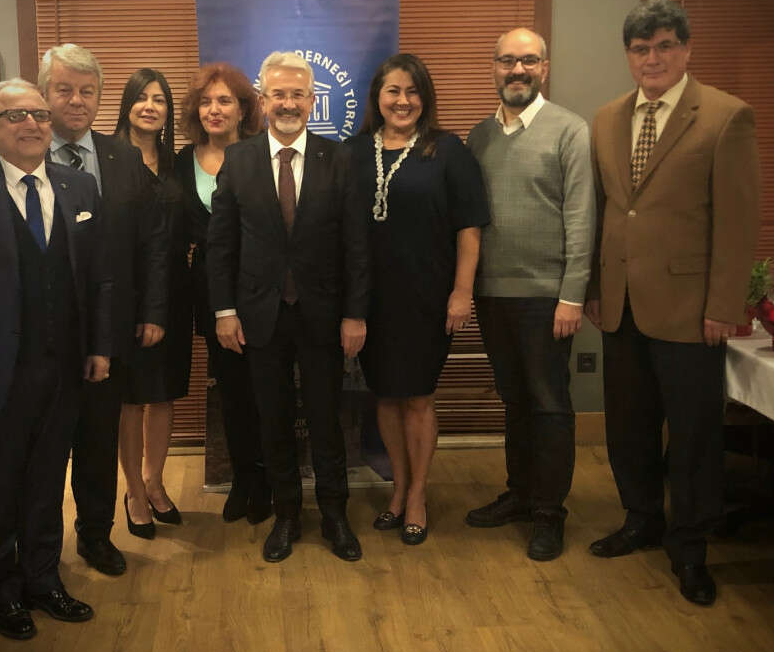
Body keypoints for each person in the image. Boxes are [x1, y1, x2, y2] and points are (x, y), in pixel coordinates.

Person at [584, 0, 760, 606]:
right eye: (641, 49)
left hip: (691, 308)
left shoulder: (725, 117)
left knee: (692, 436)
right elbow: (607, 211)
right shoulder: (607, 118)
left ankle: (690, 547)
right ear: (628, 56)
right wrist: (594, 289)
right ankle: (641, 519)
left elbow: (738, 222)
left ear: (685, 50)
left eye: (664, 46)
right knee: (627, 426)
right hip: (621, 304)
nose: (652, 58)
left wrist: (724, 305)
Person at [0, 78, 111, 639]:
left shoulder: (79, 187)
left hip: (65, 366)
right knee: (2, 481)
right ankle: (3, 592)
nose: (31, 124)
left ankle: (43, 579)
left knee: (49, 478)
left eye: (39, 114)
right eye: (15, 116)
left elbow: (99, 279)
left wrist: (100, 346)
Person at [207, 51, 370, 563]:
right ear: (262, 100)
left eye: (298, 94)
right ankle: (287, 515)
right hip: (260, 315)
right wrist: (224, 311)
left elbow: (357, 245)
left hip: (323, 315)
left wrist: (355, 314)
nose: (288, 103)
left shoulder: (339, 159)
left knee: (326, 419)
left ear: (313, 100)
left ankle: (335, 515)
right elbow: (221, 244)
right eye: (278, 94)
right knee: (273, 420)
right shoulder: (238, 160)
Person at [464, 28, 595, 561]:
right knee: (514, 400)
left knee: (549, 404)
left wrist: (573, 296)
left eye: (528, 61)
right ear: (494, 68)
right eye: (507, 61)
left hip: (547, 298)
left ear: (545, 67)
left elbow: (582, 217)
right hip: (492, 294)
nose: (517, 70)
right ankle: (520, 494)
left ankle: (548, 513)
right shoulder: (479, 136)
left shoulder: (570, 130)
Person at [40, 44, 169, 575]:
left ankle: (95, 536)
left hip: (109, 330)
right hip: (44, 335)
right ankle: (40, 552)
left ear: (99, 97)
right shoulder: (25, 153)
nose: (77, 100)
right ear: (44, 94)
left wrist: (153, 310)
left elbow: (153, 243)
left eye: (87, 91)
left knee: (97, 442)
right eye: (64, 90)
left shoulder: (122, 157)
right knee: (46, 451)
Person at [349, 53, 489, 545]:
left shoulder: (448, 151)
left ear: (424, 98)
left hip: (428, 297)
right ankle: (398, 487)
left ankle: (417, 495)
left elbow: (469, 228)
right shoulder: (353, 152)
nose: (403, 100)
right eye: (393, 90)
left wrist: (462, 292)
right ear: (378, 97)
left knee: (418, 397)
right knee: (386, 395)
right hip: (371, 300)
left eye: (412, 91)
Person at [176, 62, 270, 525]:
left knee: (267, 389)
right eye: (206, 101)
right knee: (231, 390)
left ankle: (269, 481)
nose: (214, 109)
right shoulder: (181, 160)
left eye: (224, 101)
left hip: (261, 288)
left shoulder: (262, 154)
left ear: (243, 108)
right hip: (212, 294)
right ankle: (243, 480)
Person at [113, 69, 191, 538]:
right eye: (141, 98)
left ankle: (155, 482)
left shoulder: (176, 162)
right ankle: (134, 493)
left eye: (159, 99)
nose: (150, 106)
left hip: (175, 291)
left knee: (163, 394)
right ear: (127, 105)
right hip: (127, 293)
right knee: (131, 398)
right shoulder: (108, 158)